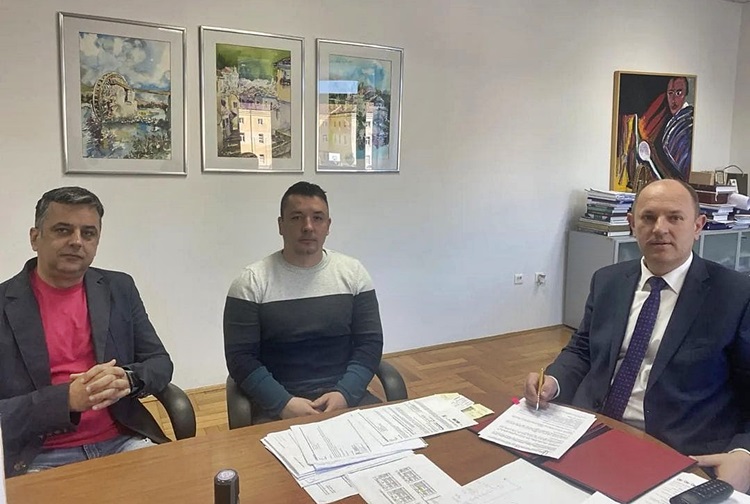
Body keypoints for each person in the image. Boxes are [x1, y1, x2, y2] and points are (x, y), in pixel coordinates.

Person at [525, 179, 750, 492]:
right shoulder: (608, 280)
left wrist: (744, 453)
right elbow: (582, 349)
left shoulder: (736, 295)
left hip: (676, 449)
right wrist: (554, 380)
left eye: (675, 217)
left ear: (698, 226)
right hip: (590, 428)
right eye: (648, 217)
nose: (660, 228)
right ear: (632, 224)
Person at [0, 187, 173, 477]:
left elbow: (160, 363)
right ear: (35, 238)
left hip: (122, 440)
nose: (76, 241)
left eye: (88, 233)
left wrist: (128, 379)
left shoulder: (119, 288)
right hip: (38, 457)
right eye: (63, 230)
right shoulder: (4, 304)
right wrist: (66, 400)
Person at [224, 181, 383, 421]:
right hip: (278, 407)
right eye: (296, 218)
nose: (308, 227)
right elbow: (240, 358)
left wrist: (344, 394)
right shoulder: (251, 282)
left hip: (345, 400)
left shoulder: (354, 274)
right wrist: (283, 403)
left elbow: (369, 344)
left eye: (317, 218)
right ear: (281, 225)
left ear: (328, 226)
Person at [661, 76, 694, 180]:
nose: (673, 99)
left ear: (686, 95)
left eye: (679, 93)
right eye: (670, 93)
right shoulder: (673, 123)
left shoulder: (688, 123)